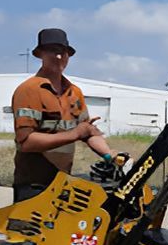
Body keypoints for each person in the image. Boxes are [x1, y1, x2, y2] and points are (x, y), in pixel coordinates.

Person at [11, 28, 116, 202]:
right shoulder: (29, 91)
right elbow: (26, 142)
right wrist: (75, 134)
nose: (59, 57)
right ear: (41, 54)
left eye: (63, 52)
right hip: (33, 185)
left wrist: (110, 155)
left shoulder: (74, 93)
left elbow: (87, 131)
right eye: (53, 51)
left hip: (62, 184)